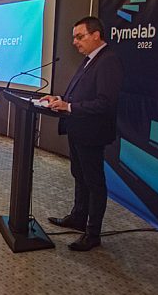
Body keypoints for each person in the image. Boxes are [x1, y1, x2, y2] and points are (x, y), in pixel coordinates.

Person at [40, 16, 123, 251]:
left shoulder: (109, 61)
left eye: (80, 36)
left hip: (92, 132)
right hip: (78, 129)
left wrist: (70, 107)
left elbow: (105, 103)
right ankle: (78, 217)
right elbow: (81, 95)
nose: (75, 42)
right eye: (74, 37)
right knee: (79, 174)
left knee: (94, 182)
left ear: (96, 35)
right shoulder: (90, 60)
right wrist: (59, 100)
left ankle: (93, 233)